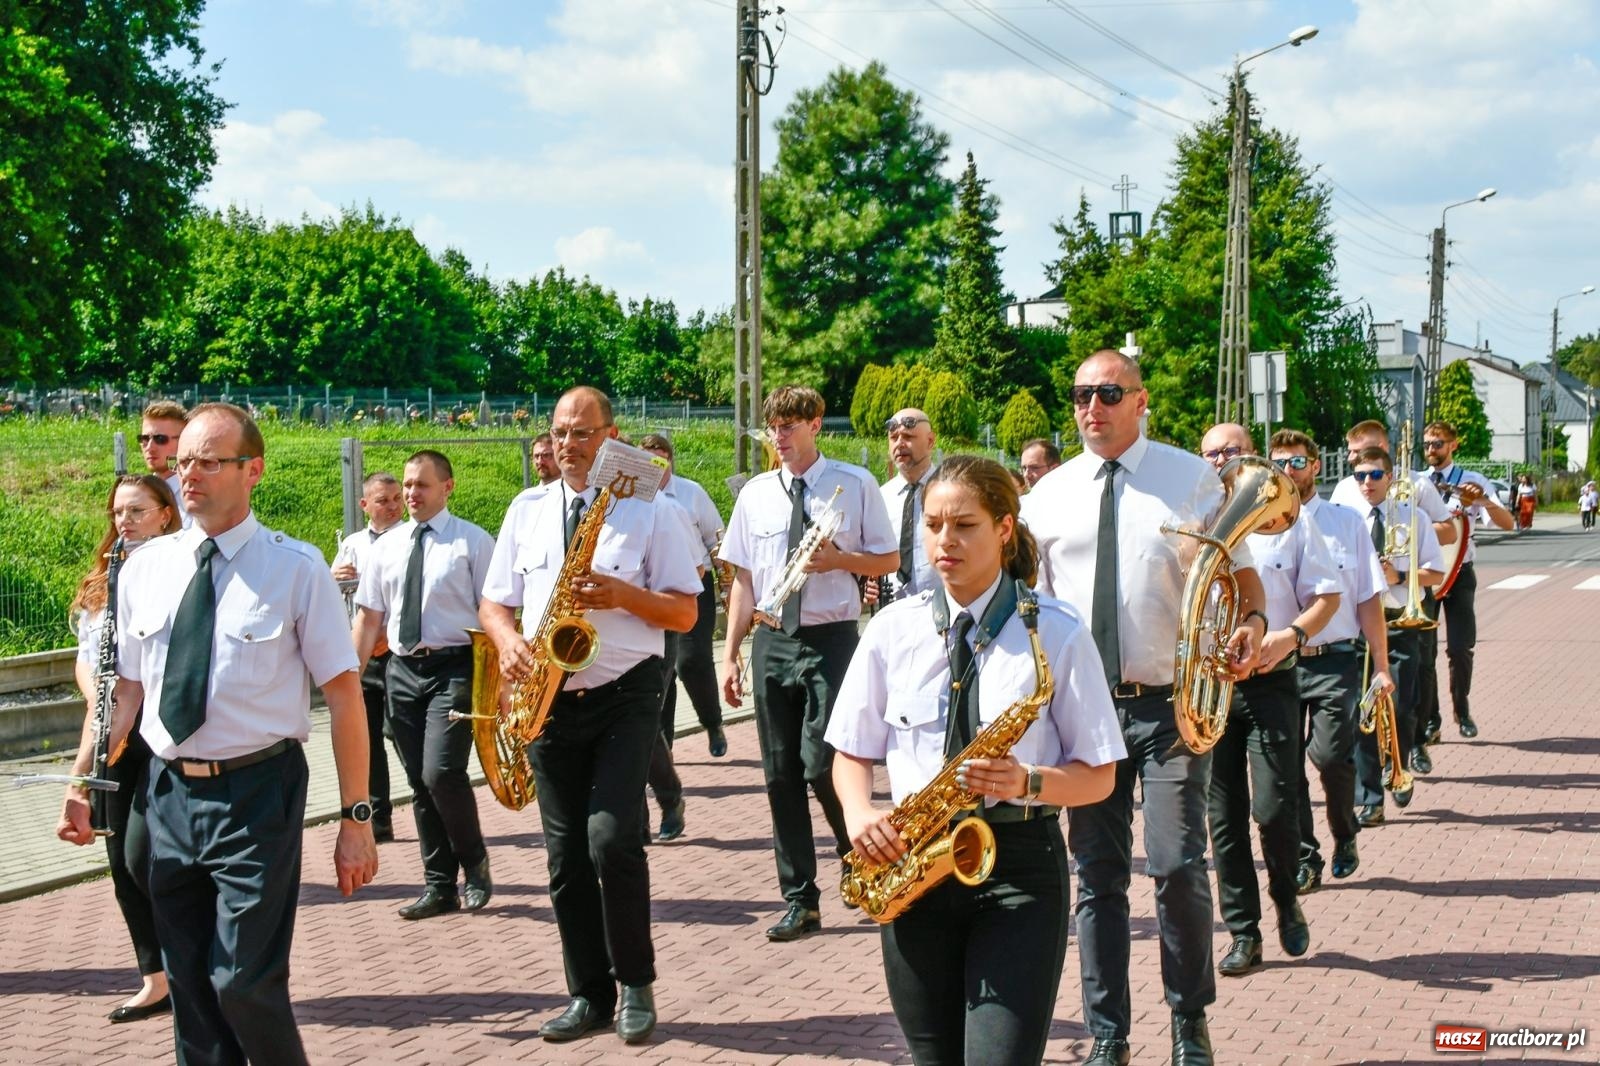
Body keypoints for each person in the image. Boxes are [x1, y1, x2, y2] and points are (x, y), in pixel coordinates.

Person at [81, 402, 378, 1065]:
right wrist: (86, 774)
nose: (189, 474)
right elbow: (127, 689)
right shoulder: (146, 567)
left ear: (253, 471)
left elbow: (343, 693)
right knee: (190, 991)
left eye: (209, 461)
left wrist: (356, 817)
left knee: (242, 981)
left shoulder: (295, 568)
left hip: (255, 794)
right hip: (165, 795)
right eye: (183, 460)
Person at [829, 455, 1125, 1065]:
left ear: (1005, 529)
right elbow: (850, 752)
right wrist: (859, 814)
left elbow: (1099, 777)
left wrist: (1030, 779)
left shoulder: (1057, 633)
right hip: (916, 865)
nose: (945, 540)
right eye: (934, 525)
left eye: (964, 525)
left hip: (1019, 868)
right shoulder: (892, 629)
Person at [1021, 350, 1267, 1066]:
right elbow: (1028, 603)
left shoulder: (1188, 479)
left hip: (1166, 709)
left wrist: (1250, 627)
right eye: (1078, 396)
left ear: (1139, 399)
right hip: (1083, 714)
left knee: (1176, 865)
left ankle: (1189, 1021)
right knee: (1095, 880)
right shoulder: (1050, 494)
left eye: (1105, 393)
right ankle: (1108, 1034)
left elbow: (1244, 583)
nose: (1089, 407)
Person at [479, 387, 700, 1045]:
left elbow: (685, 613)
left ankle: (636, 984)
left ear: (610, 436)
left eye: (582, 434)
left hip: (627, 690)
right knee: (566, 856)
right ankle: (588, 995)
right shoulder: (525, 509)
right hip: (547, 697)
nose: (569, 446)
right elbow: (495, 604)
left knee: (611, 839)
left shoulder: (650, 511)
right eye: (560, 434)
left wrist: (623, 595)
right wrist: (509, 641)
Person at [719, 384, 899, 942]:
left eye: (790, 427)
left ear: (815, 425)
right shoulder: (754, 494)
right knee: (778, 775)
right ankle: (800, 898)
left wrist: (839, 560)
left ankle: (859, 855)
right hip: (773, 638)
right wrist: (730, 655)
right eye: (773, 428)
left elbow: (891, 557)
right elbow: (744, 580)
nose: (780, 438)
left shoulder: (855, 483)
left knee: (821, 763)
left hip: (833, 638)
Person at [1196, 425, 1340, 978]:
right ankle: (1243, 932)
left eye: (1231, 451)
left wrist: (1290, 637)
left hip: (1271, 678)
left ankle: (1285, 893)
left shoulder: (1288, 520)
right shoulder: (1193, 522)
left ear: (1250, 452)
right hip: (1209, 686)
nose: (1220, 461)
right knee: (1223, 817)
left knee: (1275, 807)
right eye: (1211, 453)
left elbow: (1328, 596)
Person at [56, 474, 182, 1023]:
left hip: (159, 732)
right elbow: (88, 657)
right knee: (121, 865)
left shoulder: (181, 569)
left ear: (165, 515)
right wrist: (97, 697)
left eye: (136, 511)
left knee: (143, 857)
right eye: (116, 512)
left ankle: (190, 969)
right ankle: (155, 980)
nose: (123, 521)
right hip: (111, 727)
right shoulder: (103, 579)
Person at [351, 451, 496, 919]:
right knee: (418, 782)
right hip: (402, 671)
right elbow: (369, 616)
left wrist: (503, 680)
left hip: (454, 668)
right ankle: (439, 886)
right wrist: (350, 678)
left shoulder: (472, 543)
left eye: (421, 486)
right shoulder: (385, 548)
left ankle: (474, 861)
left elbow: (494, 613)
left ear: (447, 488)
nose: (411, 494)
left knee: (441, 772)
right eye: (408, 485)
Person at [1267, 430, 1392, 894]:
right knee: (1284, 766)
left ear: (1316, 466)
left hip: (1334, 659)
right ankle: (1305, 856)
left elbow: (1367, 600)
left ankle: (1343, 832)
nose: (1288, 473)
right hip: (1279, 662)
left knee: (1329, 755)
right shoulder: (1261, 525)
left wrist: (1380, 665)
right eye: (1279, 463)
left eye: (1296, 463)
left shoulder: (1347, 523)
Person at [1346, 446, 1443, 827]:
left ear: (1390, 478)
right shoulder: (1348, 519)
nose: (1366, 482)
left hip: (1401, 621)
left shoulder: (1414, 518)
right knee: (1362, 713)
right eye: (1360, 476)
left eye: (1374, 475)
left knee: (1402, 709)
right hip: (1359, 626)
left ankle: (1398, 765)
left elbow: (1436, 573)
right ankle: (1369, 798)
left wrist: (1400, 577)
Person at [1415, 421, 1513, 748]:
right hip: (1426, 576)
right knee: (1424, 653)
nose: (1431, 449)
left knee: (1460, 648)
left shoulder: (1472, 481)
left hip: (1460, 573)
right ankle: (1432, 722)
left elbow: (1508, 523)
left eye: (1438, 443)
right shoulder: (1416, 483)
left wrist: (1483, 501)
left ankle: (1463, 709)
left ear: (1453, 445)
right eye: (1427, 443)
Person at [640, 432, 729, 759]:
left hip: (696, 585)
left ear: (670, 459)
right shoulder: (635, 498)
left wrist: (728, 584)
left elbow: (716, 540)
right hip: (653, 590)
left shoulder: (691, 494)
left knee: (691, 661)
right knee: (660, 670)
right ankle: (664, 748)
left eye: (660, 458)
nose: (654, 464)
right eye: (647, 458)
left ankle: (713, 722)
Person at [332, 471, 404, 842]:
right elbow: (340, 597)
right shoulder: (354, 544)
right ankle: (379, 818)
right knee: (368, 736)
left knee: (401, 733)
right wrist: (335, 577)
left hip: (396, 651)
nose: (392, 506)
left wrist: (389, 635)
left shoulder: (411, 538)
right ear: (365, 506)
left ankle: (430, 799)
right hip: (363, 655)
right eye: (383, 500)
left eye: (396, 499)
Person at [880, 408, 938, 603]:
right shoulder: (881, 497)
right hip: (893, 610)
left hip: (945, 607)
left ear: (930, 441)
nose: (899, 444)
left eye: (908, 436)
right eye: (893, 437)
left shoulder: (951, 490)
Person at [138, 400, 190, 526]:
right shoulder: (138, 492)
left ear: (184, 441)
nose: (150, 447)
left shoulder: (195, 497)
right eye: (144, 439)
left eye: (160, 439)